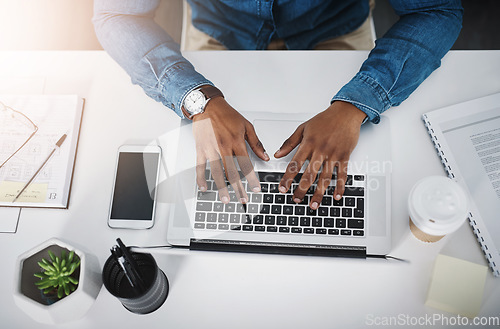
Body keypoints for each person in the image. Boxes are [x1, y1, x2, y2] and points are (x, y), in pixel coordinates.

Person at [93, 0, 463, 209]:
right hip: (219, 34)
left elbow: (437, 9)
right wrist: (197, 99)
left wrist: (357, 103)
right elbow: (116, 14)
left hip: (335, 32)